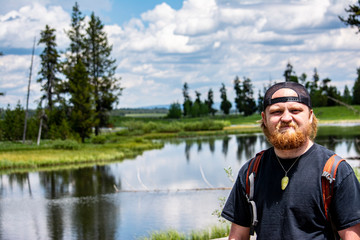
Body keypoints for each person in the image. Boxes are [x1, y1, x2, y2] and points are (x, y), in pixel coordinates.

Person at [221, 82, 360, 240]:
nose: (286, 118)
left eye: (295, 110)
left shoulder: (335, 171)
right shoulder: (251, 172)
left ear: (310, 116)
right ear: (264, 119)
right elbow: (237, 236)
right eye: (276, 111)